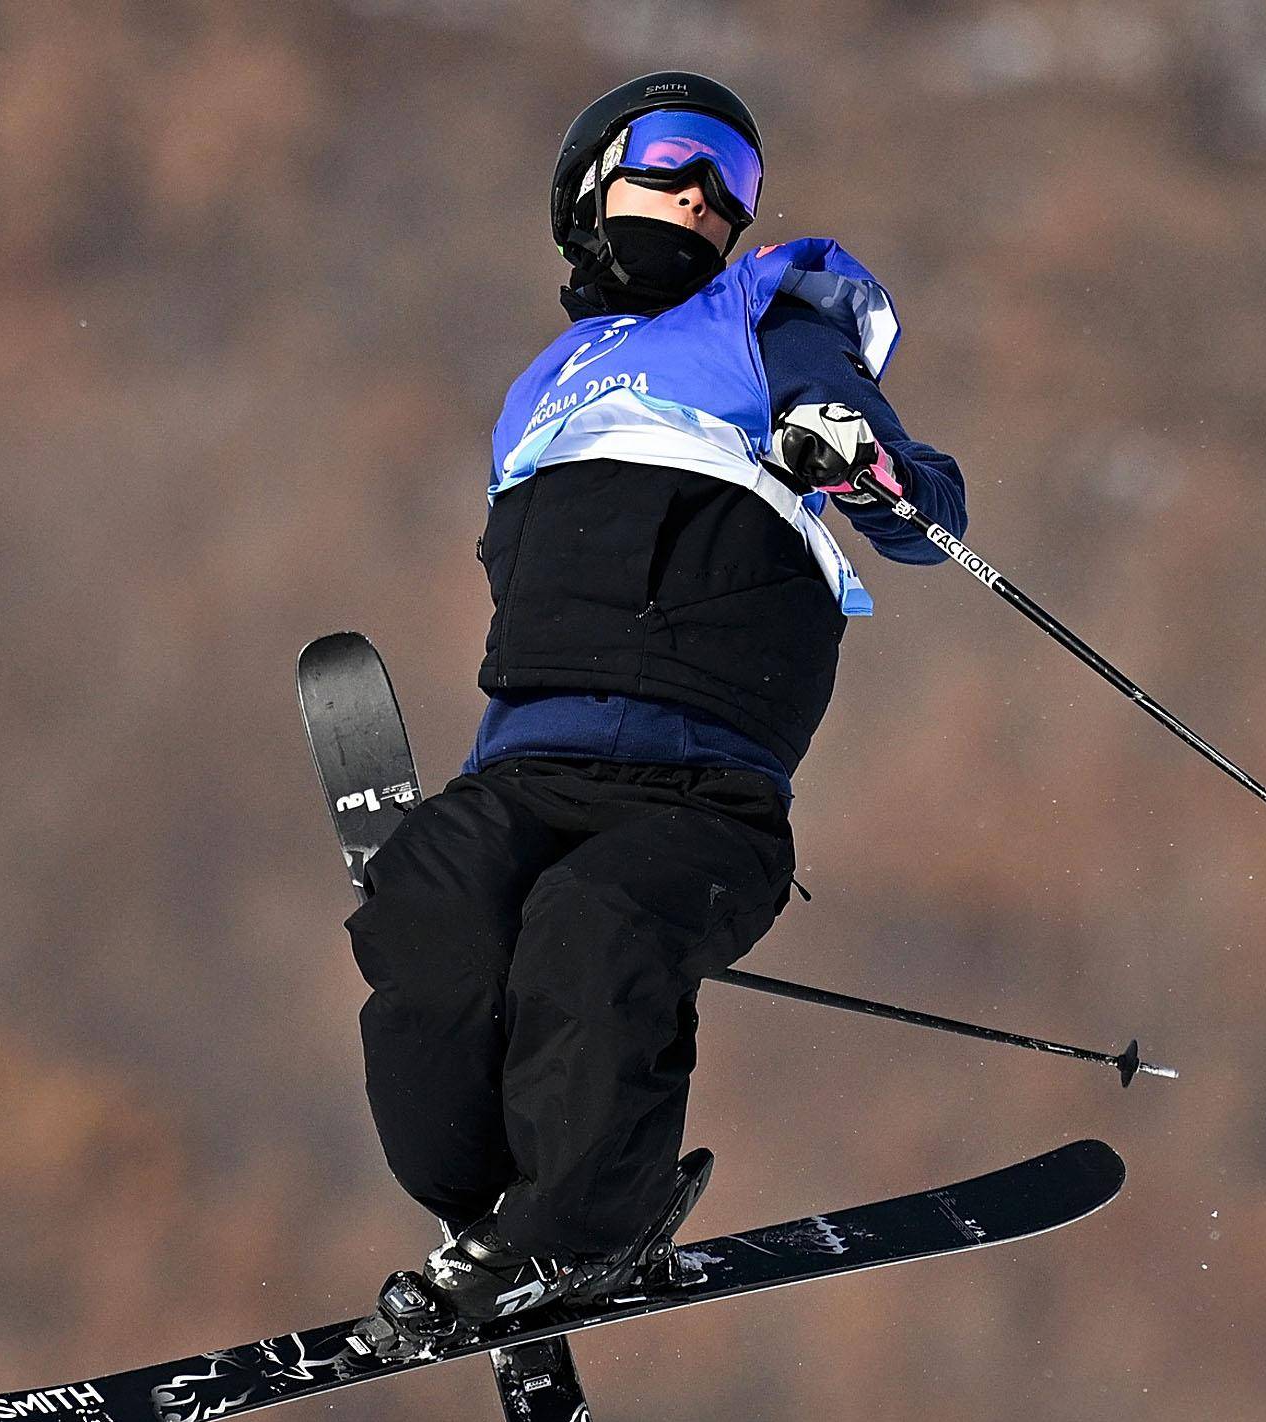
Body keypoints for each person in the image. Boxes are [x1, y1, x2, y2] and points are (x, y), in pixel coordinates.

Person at [355, 70, 969, 1338]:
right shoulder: (539, 392)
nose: (705, 198)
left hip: (704, 793)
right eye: (679, 160)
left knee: (593, 932)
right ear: (589, 189)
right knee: (432, 913)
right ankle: (505, 1211)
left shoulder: (769, 314)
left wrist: (853, 450)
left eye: (731, 184)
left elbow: (906, 492)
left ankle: (584, 1216)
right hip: (530, 769)